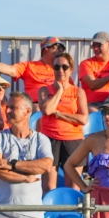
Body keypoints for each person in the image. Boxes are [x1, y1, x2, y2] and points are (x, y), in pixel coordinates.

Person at [0, 94, 54, 218]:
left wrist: (10, 164)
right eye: (8, 107)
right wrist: (24, 178)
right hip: (1, 210)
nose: (8, 110)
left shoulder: (41, 139)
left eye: (13, 107)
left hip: (32, 211)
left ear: (27, 111)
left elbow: (46, 165)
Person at [35, 51, 89, 191]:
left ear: (71, 70)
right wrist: (59, 91)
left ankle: (72, 208)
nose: (61, 70)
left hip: (73, 140)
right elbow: (47, 110)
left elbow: (83, 119)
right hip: (50, 139)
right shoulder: (44, 90)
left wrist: (58, 114)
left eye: (65, 67)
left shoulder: (78, 92)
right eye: (57, 67)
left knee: (73, 187)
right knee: (49, 187)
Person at [0, 36, 66, 102]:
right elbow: (11, 70)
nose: (60, 51)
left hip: (57, 104)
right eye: (57, 47)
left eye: (61, 49)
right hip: (36, 105)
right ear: (46, 49)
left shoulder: (63, 70)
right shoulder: (29, 66)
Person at [78, 32, 109, 105]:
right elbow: (92, 85)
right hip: (93, 103)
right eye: (93, 45)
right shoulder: (86, 63)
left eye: (98, 45)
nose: (95, 48)